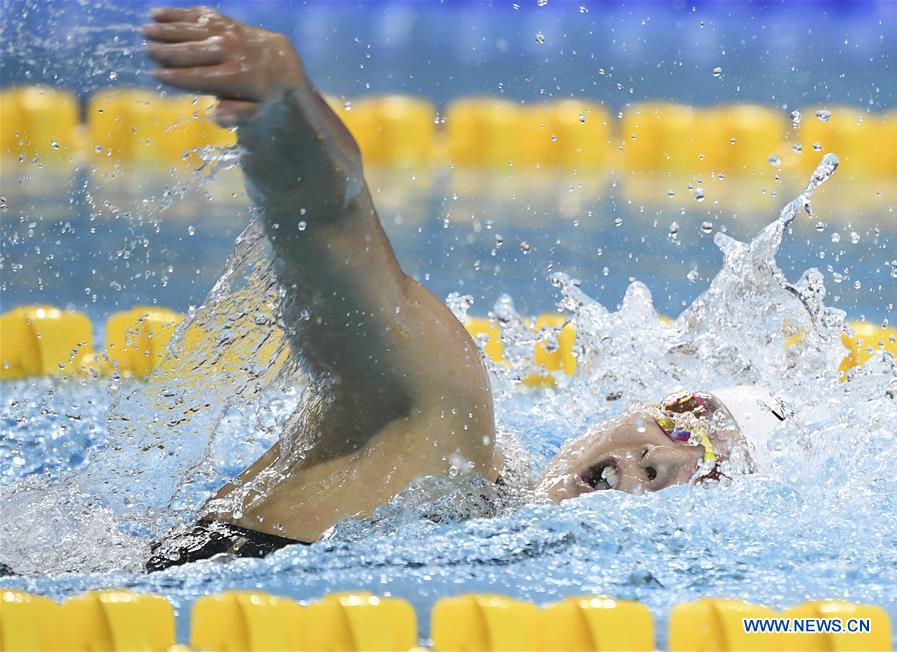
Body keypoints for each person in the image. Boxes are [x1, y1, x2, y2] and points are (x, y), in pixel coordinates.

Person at [142, 7, 789, 572]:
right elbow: (334, 230)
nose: (659, 458)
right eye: (682, 419)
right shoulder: (443, 430)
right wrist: (285, 104)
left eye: (709, 472)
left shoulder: (497, 546)